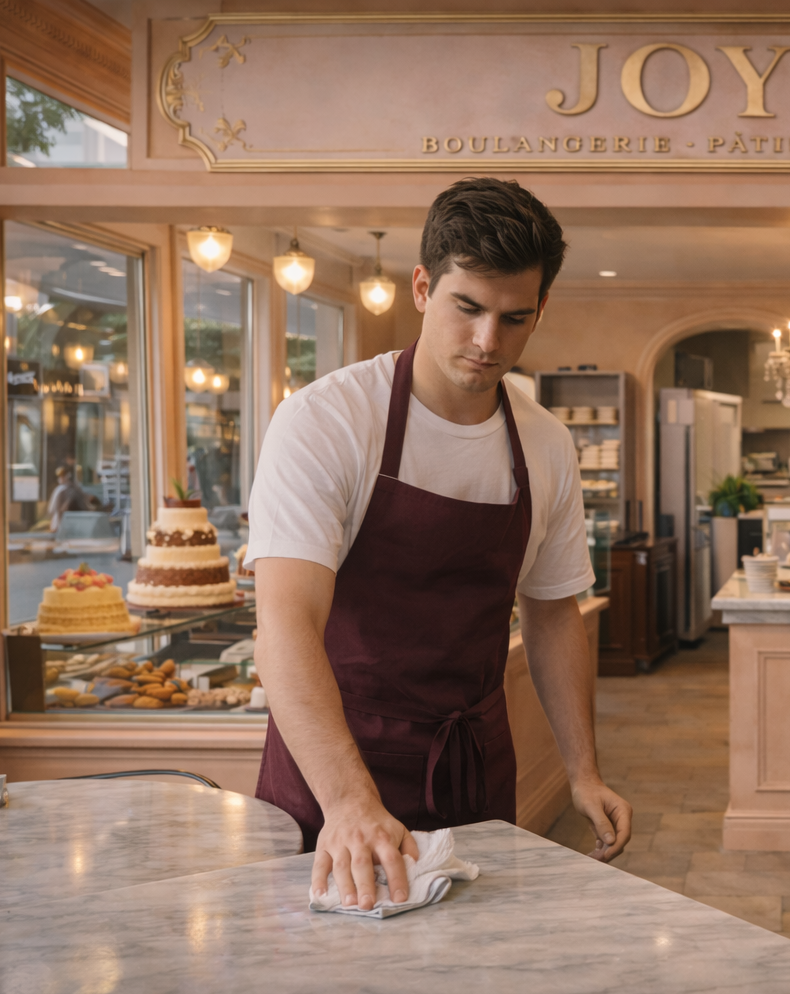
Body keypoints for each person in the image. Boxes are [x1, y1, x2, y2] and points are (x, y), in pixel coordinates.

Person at [248, 178, 632, 913]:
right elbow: (285, 626)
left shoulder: (546, 445)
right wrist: (351, 804)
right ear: (422, 286)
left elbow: (553, 615)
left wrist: (583, 773)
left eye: (515, 318)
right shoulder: (326, 422)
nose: (489, 342)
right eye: (469, 308)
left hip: (469, 767)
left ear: (540, 309)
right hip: (333, 766)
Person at [47, 465, 92, 532]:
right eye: (60, 476)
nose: (61, 478)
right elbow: (52, 509)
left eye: (62, 476)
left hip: (69, 522)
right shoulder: (60, 490)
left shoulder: (71, 489)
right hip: (60, 522)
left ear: (67, 476)